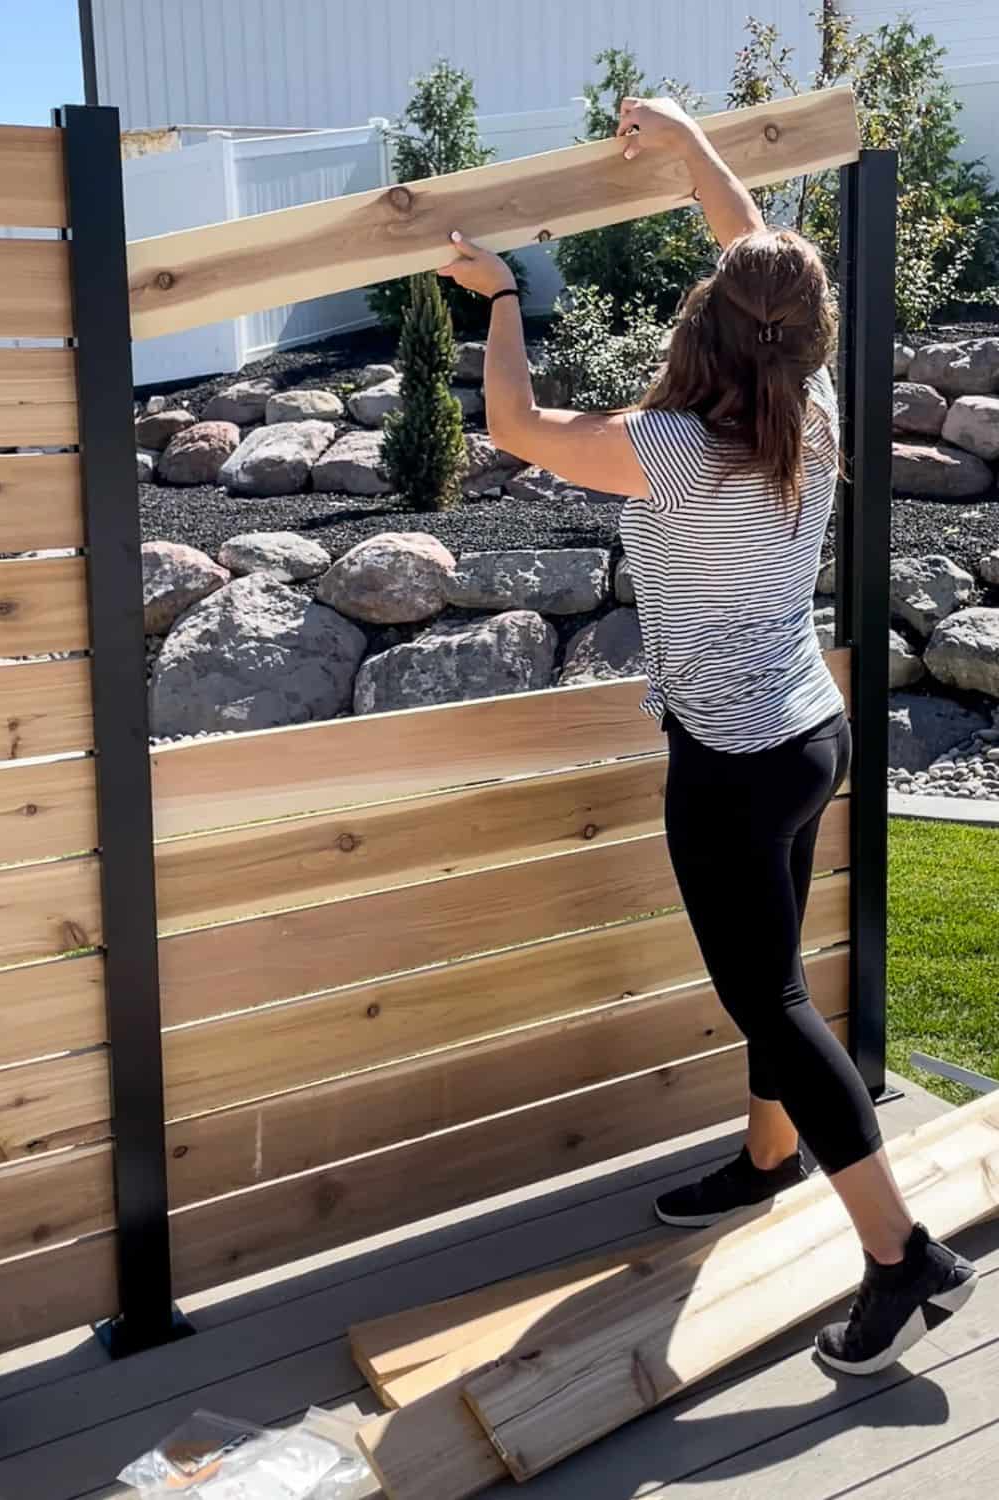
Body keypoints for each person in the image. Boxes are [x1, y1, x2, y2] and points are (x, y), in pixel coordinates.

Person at [437, 94, 978, 1375]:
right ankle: (768, 1154)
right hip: (807, 735)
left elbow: (513, 429)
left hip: (731, 763)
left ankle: (904, 1257)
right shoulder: (815, 408)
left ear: (702, 325)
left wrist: (503, 297)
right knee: (777, 976)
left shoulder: (671, 449)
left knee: (771, 998)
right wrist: (688, 147)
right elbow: (761, 268)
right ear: (800, 333)